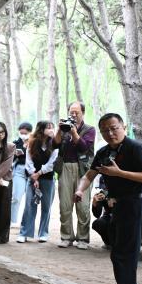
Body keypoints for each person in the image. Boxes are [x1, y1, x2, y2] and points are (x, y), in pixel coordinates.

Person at [75, 113, 142, 284]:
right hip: (118, 205)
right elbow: (89, 175)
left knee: (125, 255)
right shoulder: (103, 152)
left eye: (114, 128)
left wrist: (119, 173)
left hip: (136, 203)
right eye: (105, 130)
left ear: (123, 127)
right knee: (119, 254)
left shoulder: (135, 148)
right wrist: (80, 190)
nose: (110, 133)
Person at [54, 101, 96, 249]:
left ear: (82, 113)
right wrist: (59, 130)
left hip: (82, 170)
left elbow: (84, 147)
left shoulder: (90, 129)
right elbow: (54, 144)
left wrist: (74, 132)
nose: (73, 115)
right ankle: (66, 237)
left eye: (76, 112)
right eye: (71, 112)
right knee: (65, 205)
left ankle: (83, 238)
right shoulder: (65, 128)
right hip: (65, 167)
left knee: (83, 206)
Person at [17, 121, 58, 244]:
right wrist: (33, 176)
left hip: (48, 178)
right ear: (41, 129)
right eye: (48, 127)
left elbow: (52, 163)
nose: (51, 130)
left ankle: (43, 233)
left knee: (46, 207)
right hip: (32, 178)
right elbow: (28, 161)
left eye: (52, 127)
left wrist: (39, 173)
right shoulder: (32, 143)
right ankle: (24, 233)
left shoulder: (55, 143)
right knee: (29, 206)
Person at [10, 122, 33, 227]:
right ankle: (12, 220)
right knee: (16, 197)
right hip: (19, 170)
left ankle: (27, 222)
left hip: (32, 171)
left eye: (25, 133)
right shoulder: (16, 143)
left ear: (30, 132)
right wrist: (15, 154)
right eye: (21, 133)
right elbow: (10, 158)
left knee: (30, 199)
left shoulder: (34, 142)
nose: (23, 135)